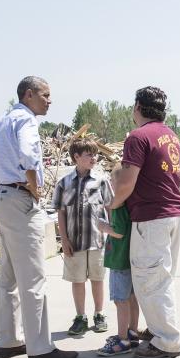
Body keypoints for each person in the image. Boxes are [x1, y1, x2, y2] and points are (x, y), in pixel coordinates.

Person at [0, 76, 77, 358]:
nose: (49, 101)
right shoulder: (26, 121)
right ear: (29, 95)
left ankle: (11, 341)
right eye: (45, 95)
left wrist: (0, 173)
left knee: (10, 277)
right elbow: (30, 155)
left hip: (2, 197)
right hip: (19, 199)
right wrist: (33, 186)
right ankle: (40, 347)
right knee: (33, 276)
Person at [110, 86, 180, 358]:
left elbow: (126, 182)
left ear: (137, 107)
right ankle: (159, 330)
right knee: (162, 278)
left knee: (150, 280)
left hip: (151, 218)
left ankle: (166, 340)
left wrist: (112, 205)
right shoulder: (170, 135)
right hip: (174, 214)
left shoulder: (138, 137)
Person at [52, 138, 111, 336]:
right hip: (74, 243)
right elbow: (61, 212)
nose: (94, 158)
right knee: (77, 280)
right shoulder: (64, 183)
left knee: (97, 278)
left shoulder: (101, 181)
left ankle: (99, 314)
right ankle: (80, 317)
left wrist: (112, 236)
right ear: (76, 157)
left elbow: (110, 208)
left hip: (97, 241)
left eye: (95, 154)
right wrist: (64, 240)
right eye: (89, 154)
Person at [95, 164, 143, 356]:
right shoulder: (130, 203)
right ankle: (132, 332)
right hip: (129, 260)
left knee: (120, 300)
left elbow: (119, 232)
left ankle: (122, 339)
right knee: (132, 298)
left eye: (113, 181)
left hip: (119, 261)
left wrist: (103, 227)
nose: (111, 185)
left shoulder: (118, 205)